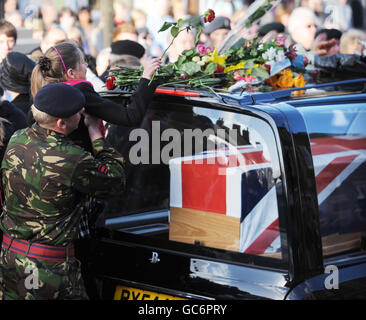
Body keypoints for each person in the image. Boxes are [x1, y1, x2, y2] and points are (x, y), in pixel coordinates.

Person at [0, 82, 126, 300]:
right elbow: (115, 180)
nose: (81, 114)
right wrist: (97, 135)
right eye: (78, 112)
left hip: (10, 258)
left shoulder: (18, 138)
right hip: (47, 270)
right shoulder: (71, 157)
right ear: (61, 123)